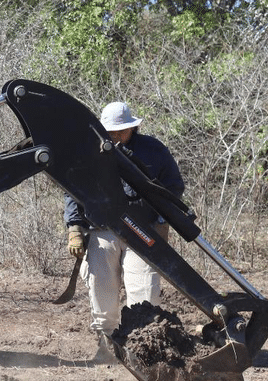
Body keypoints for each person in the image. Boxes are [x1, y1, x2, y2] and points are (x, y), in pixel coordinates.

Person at [64, 101, 185, 363]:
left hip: (143, 232)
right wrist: (74, 226)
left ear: (133, 127)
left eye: (121, 130)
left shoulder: (153, 150)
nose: (116, 135)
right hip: (103, 230)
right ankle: (106, 348)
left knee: (144, 293)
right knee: (101, 288)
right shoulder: (90, 151)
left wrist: (162, 219)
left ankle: (139, 351)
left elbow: (174, 186)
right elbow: (75, 190)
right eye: (112, 131)